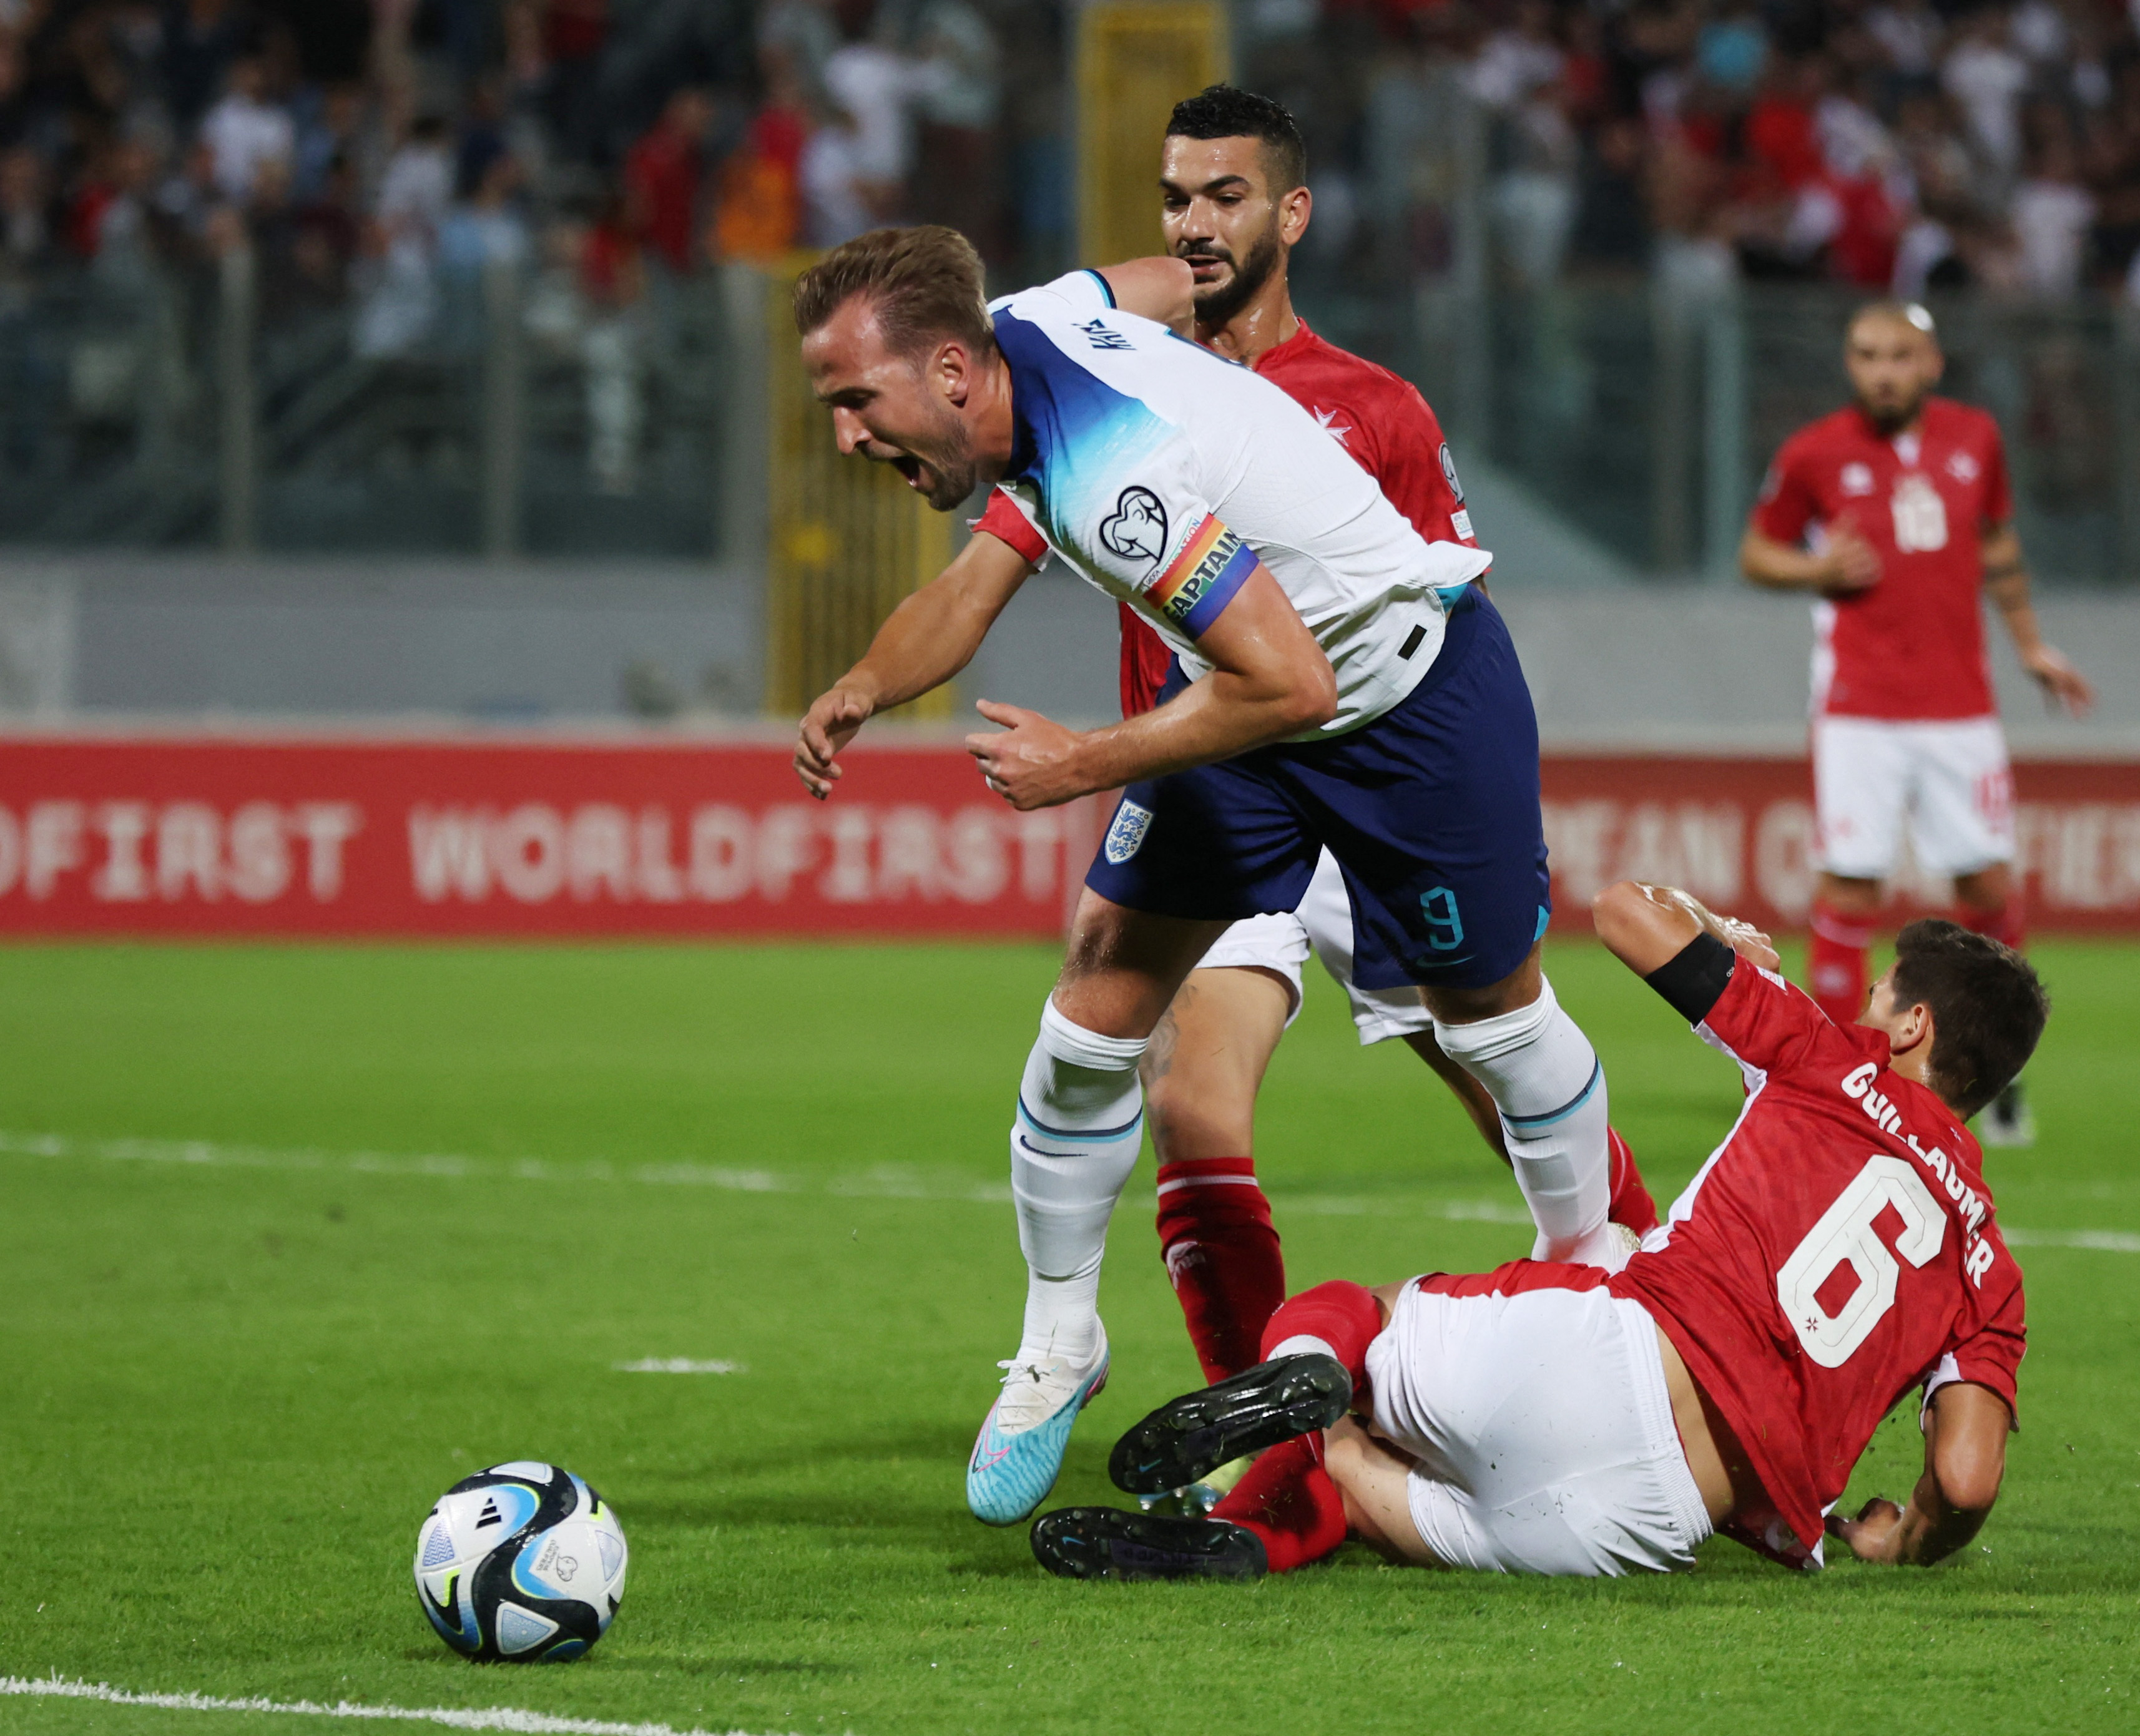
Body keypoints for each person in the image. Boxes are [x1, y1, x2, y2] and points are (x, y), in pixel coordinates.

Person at [789, 224, 1622, 1529]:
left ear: (952, 372)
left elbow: (1297, 681)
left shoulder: (1119, 477)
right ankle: (1062, 1339)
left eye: (854, 402)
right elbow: (1157, 287)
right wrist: (861, 685)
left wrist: (1085, 764)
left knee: (1496, 1025)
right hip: (1251, 712)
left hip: (1405, 700)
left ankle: (1597, 1280)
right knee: (1094, 1005)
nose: (846, 434)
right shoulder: (1031, 321)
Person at [963, 86, 1657, 1426]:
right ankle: (1253, 1425)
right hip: (1221, 767)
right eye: (1176, 199)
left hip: (1370, 752)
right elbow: (993, 553)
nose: (1195, 224)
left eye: (1224, 196)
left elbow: (1433, 603)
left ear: (1291, 213)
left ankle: (1638, 1286)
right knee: (1190, 1096)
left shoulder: (1375, 405)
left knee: (1488, 1044)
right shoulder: (1111, 380)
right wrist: (876, 681)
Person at [1029, 888, 2045, 1582]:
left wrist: (1709, 927)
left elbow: (1621, 914)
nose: (1862, 1010)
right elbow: (1964, 1478)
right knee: (1346, 1474)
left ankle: (1301, 1370)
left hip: (1612, 1360)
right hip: (1649, 1523)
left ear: (1911, 1027)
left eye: (1879, 997)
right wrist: (1904, 1538)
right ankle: (1242, 1543)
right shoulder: (1989, 1270)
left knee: (1345, 1315)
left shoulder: (1827, 1060)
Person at [1738, 299, 2092, 1146]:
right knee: (1849, 887)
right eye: (1865, 354)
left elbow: (1998, 546)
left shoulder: (1974, 439)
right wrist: (1816, 566)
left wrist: (2031, 645)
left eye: (1898, 354)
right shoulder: (1813, 452)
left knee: (1987, 890)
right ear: (1849, 365)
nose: (1881, 370)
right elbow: (1757, 553)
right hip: (1859, 707)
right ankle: (1828, 1085)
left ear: (1931, 363)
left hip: (1960, 707)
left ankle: (1993, 1073)